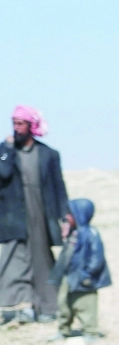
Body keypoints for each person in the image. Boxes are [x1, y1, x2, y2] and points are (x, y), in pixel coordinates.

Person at [0, 106, 70, 324]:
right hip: (15, 216)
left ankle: (48, 308)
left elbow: (59, 187)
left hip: (41, 213)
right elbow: (3, 173)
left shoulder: (49, 154)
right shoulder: (6, 151)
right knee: (12, 261)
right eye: (14, 123)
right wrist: (8, 149)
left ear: (32, 126)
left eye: (21, 123)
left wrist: (65, 217)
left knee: (43, 261)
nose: (16, 128)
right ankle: (16, 307)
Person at [47, 199, 111, 342]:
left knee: (85, 305)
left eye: (71, 214)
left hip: (84, 277)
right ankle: (63, 330)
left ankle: (90, 332)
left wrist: (87, 274)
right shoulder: (73, 233)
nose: (68, 217)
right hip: (69, 275)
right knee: (64, 303)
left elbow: (97, 258)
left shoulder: (90, 233)